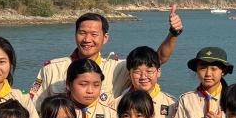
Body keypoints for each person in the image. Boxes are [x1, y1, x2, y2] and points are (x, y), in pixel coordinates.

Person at [29, 8, 182, 111]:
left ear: (105, 38)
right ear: (75, 34)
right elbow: (33, 109)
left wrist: (173, 34)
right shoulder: (52, 69)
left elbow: (155, 60)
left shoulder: (117, 68)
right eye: (82, 33)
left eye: (94, 34)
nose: (87, 39)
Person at [117, 45, 176, 118]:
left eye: (149, 71)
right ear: (129, 74)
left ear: (158, 72)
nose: (143, 77)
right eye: (137, 72)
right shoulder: (117, 104)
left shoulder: (172, 104)